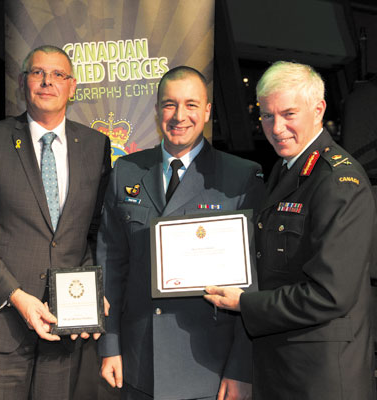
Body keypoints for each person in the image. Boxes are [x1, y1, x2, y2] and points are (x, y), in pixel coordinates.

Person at [205, 61, 376, 399]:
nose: (276, 127)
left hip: (321, 378)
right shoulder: (286, 170)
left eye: (288, 114)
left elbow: (330, 294)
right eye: (267, 115)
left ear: (319, 109)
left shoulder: (339, 182)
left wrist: (246, 304)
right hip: (282, 367)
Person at [0, 45, 111, 399]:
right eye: (38, 73)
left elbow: (95, 232)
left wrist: (95, 290)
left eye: (58, 75)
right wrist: (16, 296)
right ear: (23, 83)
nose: (47, 81)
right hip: (0, 323)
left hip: (63, 325)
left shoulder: (96, 145)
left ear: (72, 86)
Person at [97, 66, 265, 400]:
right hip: (139, 363)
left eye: (191, 105)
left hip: (208, 368)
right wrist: (109, 344)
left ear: (206, 112)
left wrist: (240, 368)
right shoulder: (126, 170)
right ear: (157, 110)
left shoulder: (240, 177)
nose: (179, 115)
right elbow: (110, 266)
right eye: (170, 104)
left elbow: (256, 284)